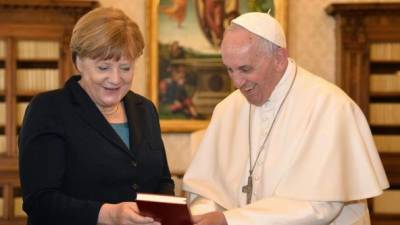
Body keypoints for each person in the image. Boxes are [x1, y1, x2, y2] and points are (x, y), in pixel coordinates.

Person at [183, 12, 389, 225]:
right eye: (229, 69)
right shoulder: (228, 109)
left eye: (245, 69)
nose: (237, 82)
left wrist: (230, 221)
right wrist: (204, 215)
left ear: (279, 59)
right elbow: (206, 189)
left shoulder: (330, 107)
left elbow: (320, 205)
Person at [19, 7, 174, 225]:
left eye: (125, 68)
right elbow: (40, 201)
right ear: (78, 61)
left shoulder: (145, 109)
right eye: (103, 67)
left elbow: (162, 181)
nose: (115, 79)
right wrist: (108, 214)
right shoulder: (49, 109)